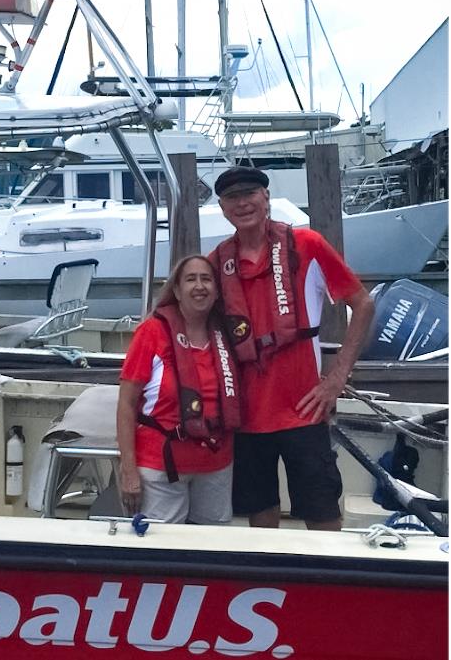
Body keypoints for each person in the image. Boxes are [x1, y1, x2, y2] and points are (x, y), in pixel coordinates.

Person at [208, 165, 375, 531]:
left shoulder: (308, 245)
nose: (242, 203)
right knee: (260, 513)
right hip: (247, 414)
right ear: (222, 207)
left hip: (305, 410)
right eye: (232, 197)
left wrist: (336, 378)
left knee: (322, 513)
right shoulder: (216, 263)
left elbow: (362, 304)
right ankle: (271, 584)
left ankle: (331, 583)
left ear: (266, 197)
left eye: (250, 193)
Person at [116, 254, 241, 524]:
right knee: (163, 552)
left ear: (217, 290)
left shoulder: (227, 335)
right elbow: (126, 404)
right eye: (191, 279)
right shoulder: (152, 332)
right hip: (161, 466)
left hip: (216, 464)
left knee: (213, 549)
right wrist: (129, 471)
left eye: (207, 279)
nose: (199, 286)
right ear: (176, 290)